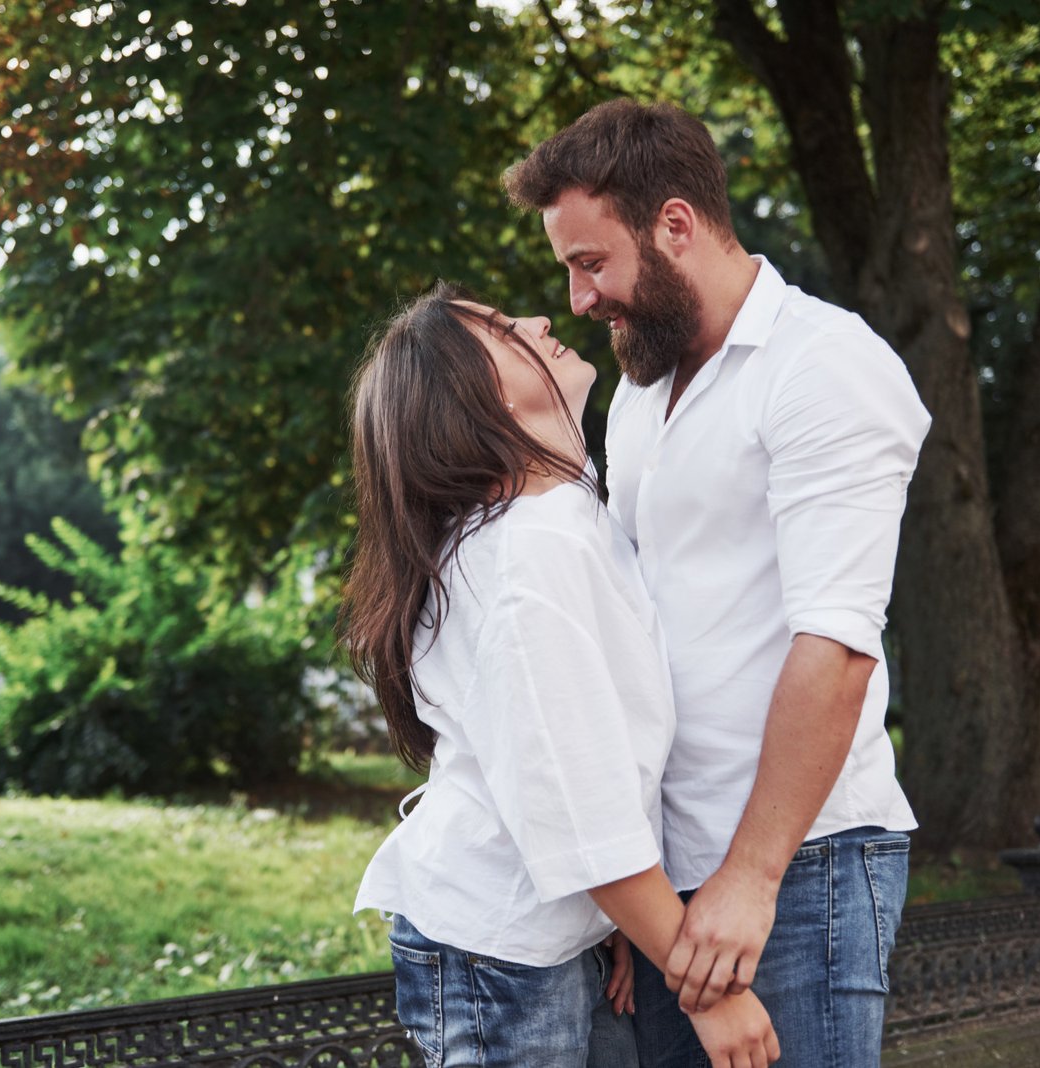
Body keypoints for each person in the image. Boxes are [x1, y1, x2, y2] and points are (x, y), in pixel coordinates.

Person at [504, 99, 931, 1068]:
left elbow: (837, 645)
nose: (578, 299)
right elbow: (629, 633)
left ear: (675, 227)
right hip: (676, 881)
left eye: (589, 262)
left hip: (799, 867)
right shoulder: (642, 393)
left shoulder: (825, 369)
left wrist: (750, 874)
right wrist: (636, 885)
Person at [343, 283, 781, 1068]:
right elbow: (579, 805)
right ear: (469, 402)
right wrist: (709, 994)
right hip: (500, 955)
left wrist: (608, 916)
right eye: (504, 333)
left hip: (553, 933)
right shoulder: (525, 554)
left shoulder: (564, 519)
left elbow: (591, 755)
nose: (538, 322)